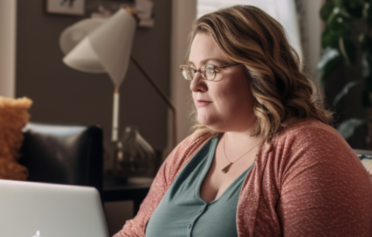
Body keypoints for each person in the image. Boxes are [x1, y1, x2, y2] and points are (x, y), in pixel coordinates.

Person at [114, 5, 372, 237]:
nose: (195, 84)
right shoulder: (191, 150)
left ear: (258, 71)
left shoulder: (310, 148)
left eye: (211, 69)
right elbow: (136, 232)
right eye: (192, 70)